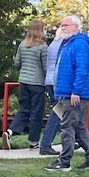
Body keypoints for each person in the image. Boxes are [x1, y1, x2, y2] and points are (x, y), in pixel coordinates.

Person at [44, 15, 89, 172]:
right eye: (62, 25)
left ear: (76, 27)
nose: (63, 28)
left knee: (67, 126)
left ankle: (64, 161)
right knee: (79, 127)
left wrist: (76, 91)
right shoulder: (67, 43)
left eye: (66, 25)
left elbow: (82, 69)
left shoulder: (79, 44)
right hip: (66, 92)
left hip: (73, 94)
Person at [3, 20, 48, 149]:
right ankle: (33, 141)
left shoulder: (22, 45)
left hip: (23, 82)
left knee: (24, 110)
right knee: (37, 113)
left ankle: (10, 131)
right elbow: (46, 68)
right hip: (37, 83)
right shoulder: (43, 47)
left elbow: (17, 63)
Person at [37, 25, 65, 156]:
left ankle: (75, 139)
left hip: (49, 80)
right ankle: (46, 144)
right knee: (58, 112)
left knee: (64, 112)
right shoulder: (64, 44)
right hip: (57, 81)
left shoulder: (53, 43)